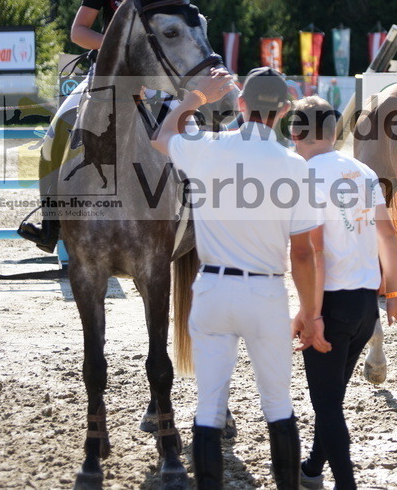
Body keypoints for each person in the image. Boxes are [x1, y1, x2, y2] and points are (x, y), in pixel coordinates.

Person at [151, 66, 330, 489]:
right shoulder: (294, 165)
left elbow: (161, 136)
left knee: (209, 407)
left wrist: (196, 98)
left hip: (213, 289)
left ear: (242, 104)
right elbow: (303, 254)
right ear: (284, 110)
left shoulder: (208, 147)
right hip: (265, 292)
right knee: (278, 405)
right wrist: (311, 313)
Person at [18, 0, 178, 253]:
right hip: (106, 75)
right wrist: (117, 46)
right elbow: (79, 31)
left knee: (190, 125)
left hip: (153, 76)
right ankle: (50, 223)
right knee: (57, 130)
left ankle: (195, 213)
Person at [288, 95, 397, 489]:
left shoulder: (304, 176)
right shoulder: (363, 171)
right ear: (333, 133)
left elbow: (314, 252)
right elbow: (387, 235)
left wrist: (311, 313)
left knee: (327, 407)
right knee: (331, 400)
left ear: (296, 134)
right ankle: (312, 468)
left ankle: (345, 483)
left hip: (331, 302)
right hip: (365, 306)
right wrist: (394, 295)